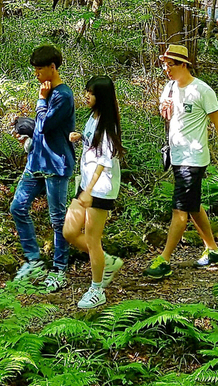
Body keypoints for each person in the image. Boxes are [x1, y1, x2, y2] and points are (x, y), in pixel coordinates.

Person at [144, 45, 218, 279]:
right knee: (193, 206)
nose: (167, 69)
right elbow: (167, 114)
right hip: (177, 156)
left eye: (171, 65)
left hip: (193, 158)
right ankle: (214, 250)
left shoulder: (202, 90)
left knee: (180, 210)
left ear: (184, 64)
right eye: (165, 65)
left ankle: (165, 259)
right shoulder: (169, 87)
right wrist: (163, 109)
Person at [10, 45, 76, 292]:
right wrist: (28, 141)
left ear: (53, 67)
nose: (36, 74)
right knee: (18, 207)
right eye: (34, 70)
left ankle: (60, 270)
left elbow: (46, 124)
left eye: (39, 69)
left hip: (57, 165)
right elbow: (39, 128)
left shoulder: (62, 95)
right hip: (36, 162)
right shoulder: (50, 94)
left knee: (58, 220)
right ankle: (34, 260)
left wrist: (40, 99)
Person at [63, 76, 124, 309]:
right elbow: (93, 146)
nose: (86, 96)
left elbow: (104, 162)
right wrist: (81, 137)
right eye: (86, 91)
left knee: (92, 239)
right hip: (87, 184)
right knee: (69, 231)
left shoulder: (108, 124)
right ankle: (106, 261)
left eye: (91, 93)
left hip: (99, 189)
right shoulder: (93, 117)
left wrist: (88, 191)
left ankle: (97, 289)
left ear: (102, 98)